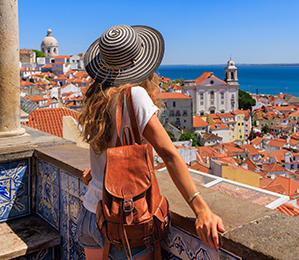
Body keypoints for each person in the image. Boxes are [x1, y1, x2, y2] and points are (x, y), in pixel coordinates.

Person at [77, 24, 224, 260]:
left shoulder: (99, 95)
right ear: (140, 63)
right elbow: (169, 154)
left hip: (89, 214)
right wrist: (201, 208)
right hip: (123, 221)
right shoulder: (134, 95)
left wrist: (97, 173)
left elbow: (105, 148)